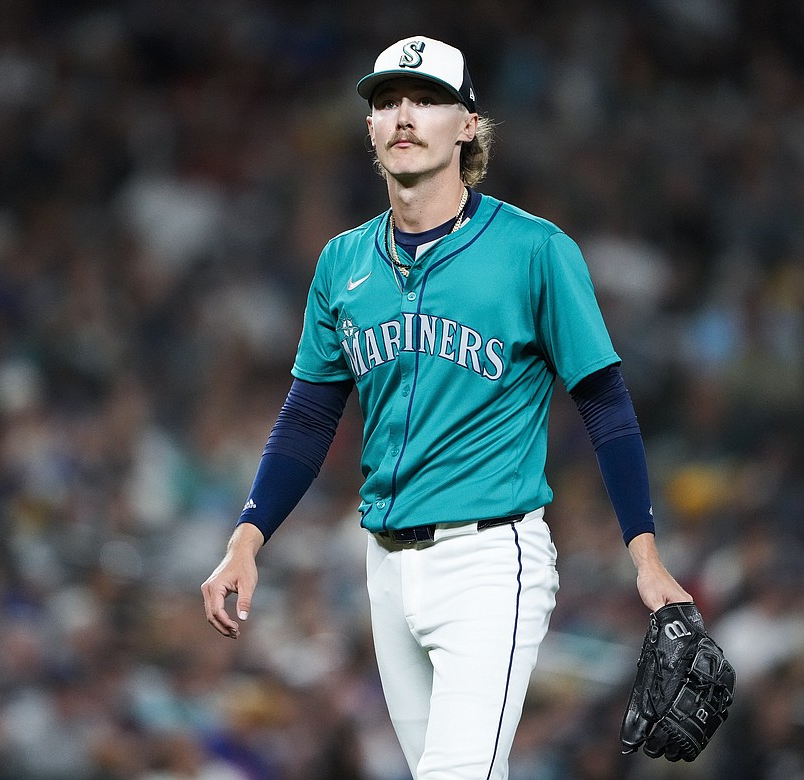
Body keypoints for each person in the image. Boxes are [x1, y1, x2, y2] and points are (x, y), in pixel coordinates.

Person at [200, 34, 692, 780]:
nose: (403, 115)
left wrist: (645, 554)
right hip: (385, 566)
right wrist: (247, 538)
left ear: (467, 125)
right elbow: (307, 417)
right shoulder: (343, 262)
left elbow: (606, 405)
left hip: (490, 562)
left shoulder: (535, 250)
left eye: (426, 99)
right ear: (369, 127)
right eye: (387, 100)